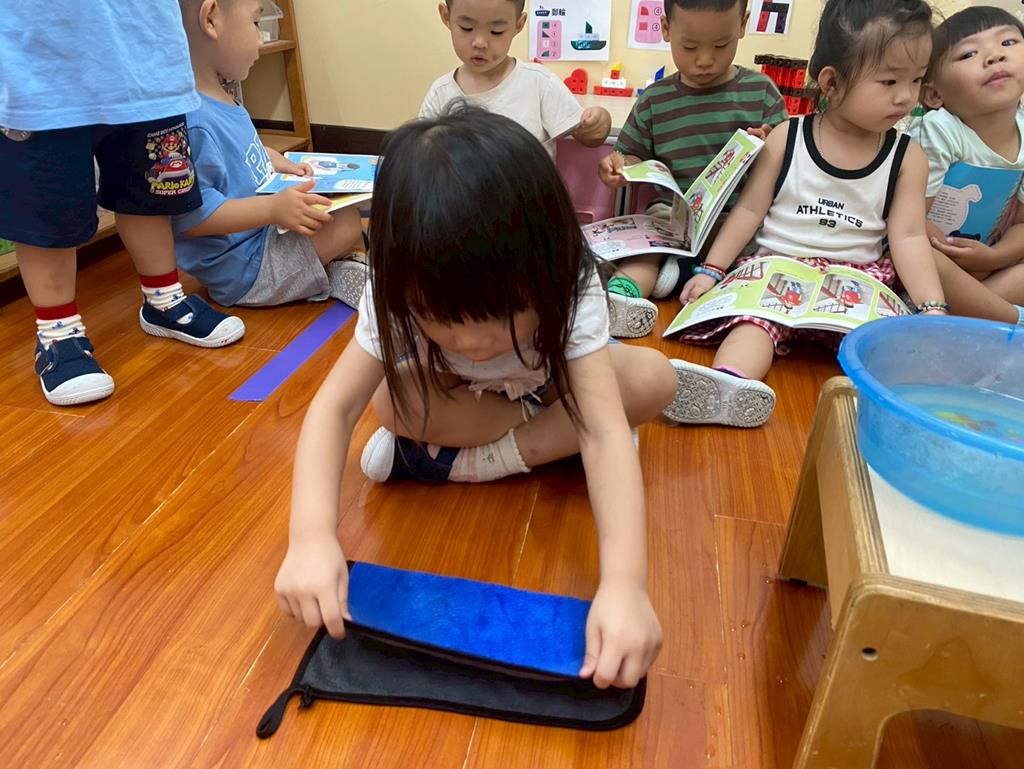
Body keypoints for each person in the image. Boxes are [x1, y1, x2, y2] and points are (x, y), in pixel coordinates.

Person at [275, 107, 678, 690]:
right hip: (468, 396)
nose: (473, 341)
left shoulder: (570, 277)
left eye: (503, 314)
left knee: (655, 381)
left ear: (546, 264)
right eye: (440, 319)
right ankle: (531, 448)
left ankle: (458, 463)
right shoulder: (397, 280)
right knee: (389, 402)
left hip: (548, 383)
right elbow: (335, 408)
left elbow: (601, 430)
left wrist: (625, 587)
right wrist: (310, 539)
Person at [665, 0, 947, 428]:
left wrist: (932, 308)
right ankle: (727, 387)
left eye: (916, 79)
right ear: (831, 82)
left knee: (883, 349)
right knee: (752, 326)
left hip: (857, 279)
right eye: (889, 80)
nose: (906, 96)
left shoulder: (908, 157)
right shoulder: (786, 136)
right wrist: (712, 270)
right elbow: (749, 210)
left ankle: (871, 422)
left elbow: (908, 237)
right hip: (775, 267)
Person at [0, 0, 245, 406]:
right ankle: (57, 333)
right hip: (36, 62)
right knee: (47, 207)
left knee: (150, 189)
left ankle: (164, 298)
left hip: (143, 51)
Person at [597, 0, 788, 338]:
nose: (704, 60)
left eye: (720, 45)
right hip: (672, 217)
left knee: (757, 263)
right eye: (689, 47)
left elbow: (785, 166)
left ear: (742, 25)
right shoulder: (654, 100)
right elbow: (630, 156)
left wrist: (767, 147)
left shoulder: (762, 94)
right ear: (666, 29)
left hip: (737, 221)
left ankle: (689, 280)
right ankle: (620, 302)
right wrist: (619, 168)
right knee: (646, 251)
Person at [175, 0, 368, 311]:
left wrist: (270, 158)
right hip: (244, 269)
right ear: (211, 19)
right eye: (255, 23)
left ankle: (336, 267)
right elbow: (194, 217)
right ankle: (337, 270)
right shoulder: (194, 120)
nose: (261, 39)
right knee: (345, 223)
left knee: (340, 207)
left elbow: (231, 156)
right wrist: (272, 209)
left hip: (259, 240)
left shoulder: (218, 96)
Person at [914, 5, 1024, 326]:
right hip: (932, 253)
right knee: (921, 254)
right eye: (968, 54)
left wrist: (994, 257)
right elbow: (909, 218)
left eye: (1008, 43)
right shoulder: (939, 129)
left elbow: (1021, 223)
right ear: (934, 94)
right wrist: (959, 259)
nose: (994, 56)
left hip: (988, 261)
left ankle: (969, 310)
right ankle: (1007, 317)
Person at [420, 0, 612, 152]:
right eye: (466, 27)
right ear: (446, 16)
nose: (480, 43)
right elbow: (422, 154)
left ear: (518, 24)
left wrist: (598, 125)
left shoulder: (539, 83)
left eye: (496, 31)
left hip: (529, 191)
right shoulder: (440, 93)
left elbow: (587, 136)